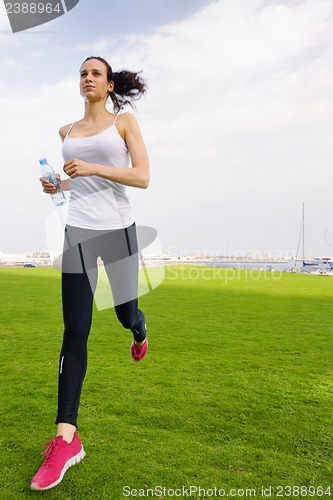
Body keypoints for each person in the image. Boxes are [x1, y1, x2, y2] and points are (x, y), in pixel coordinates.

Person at [31, 56, 150, 491]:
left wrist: (95, 167)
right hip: (78, 231)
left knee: (123, 313)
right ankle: (66, 437)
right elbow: (77, 183)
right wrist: (58, 186)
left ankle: (139, 330)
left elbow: (142, 176)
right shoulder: (67, 133)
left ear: (109, 83)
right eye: (82, 73)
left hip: (118, 231)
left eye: (95, 73)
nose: (87, 78)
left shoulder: (124, 122)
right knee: (75, 329)